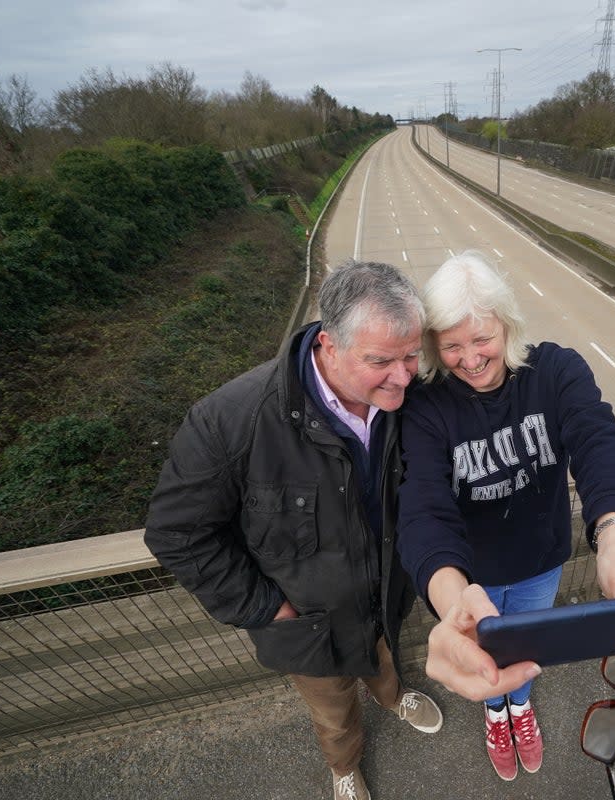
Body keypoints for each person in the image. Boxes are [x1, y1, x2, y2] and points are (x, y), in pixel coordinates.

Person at [144, 260, 443, 800]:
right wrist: (266, 609)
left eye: (410, 355)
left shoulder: (409, 402)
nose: (403, 377)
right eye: (380, 361)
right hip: (308, 625)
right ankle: (344, 767)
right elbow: (177, 533)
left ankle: (395, 698)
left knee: (387, 661)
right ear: (329, 344)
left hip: (385, 597)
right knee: (333, 713)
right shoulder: (230, 422)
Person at [397, 250, 615, 782]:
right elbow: (421, 503)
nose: (471, 358)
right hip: (472, 577)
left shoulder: (555, 371)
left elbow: (599, 441)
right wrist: (449, 594)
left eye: (482, 339)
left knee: (524, 653)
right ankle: (494, 710)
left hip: (539, 560)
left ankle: (518, 707)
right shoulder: (426, 405)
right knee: (489, 653)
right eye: (452, 345)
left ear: (507, 325)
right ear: (435, 345)